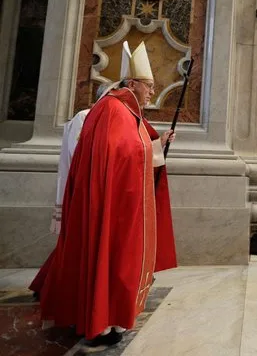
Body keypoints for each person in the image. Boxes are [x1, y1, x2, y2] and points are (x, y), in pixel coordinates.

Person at [31, 41, 178, 351]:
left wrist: (156, 146)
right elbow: (118, 153)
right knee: (105, 259)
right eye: (149, 86)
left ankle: (106, 319)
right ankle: (99, 323)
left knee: (111, 261)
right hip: (108, 204)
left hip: (116, 201)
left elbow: (127, 151)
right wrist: (149, 150)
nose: (152, 92)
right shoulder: (113, 109)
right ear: (133, 83)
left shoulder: (122, 109)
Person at [29, 83, 113, 297]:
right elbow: (79, 153)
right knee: (76, 242)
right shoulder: (85, 117)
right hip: (82, 186)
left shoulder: (110, 119)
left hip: (100, 186)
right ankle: (51, 286)